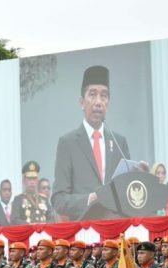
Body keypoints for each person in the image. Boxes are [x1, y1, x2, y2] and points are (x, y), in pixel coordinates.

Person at [52, 65, 132, 221]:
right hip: (84, 232)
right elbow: (58, 200)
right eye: (93, 95)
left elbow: (127, 194)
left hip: (116, 231)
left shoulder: (119, 142)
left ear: (108, 103)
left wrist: (138, 178)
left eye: (104, 96)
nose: (98, 102)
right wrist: (91, 199)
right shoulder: (67, 143)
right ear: (82, 102)